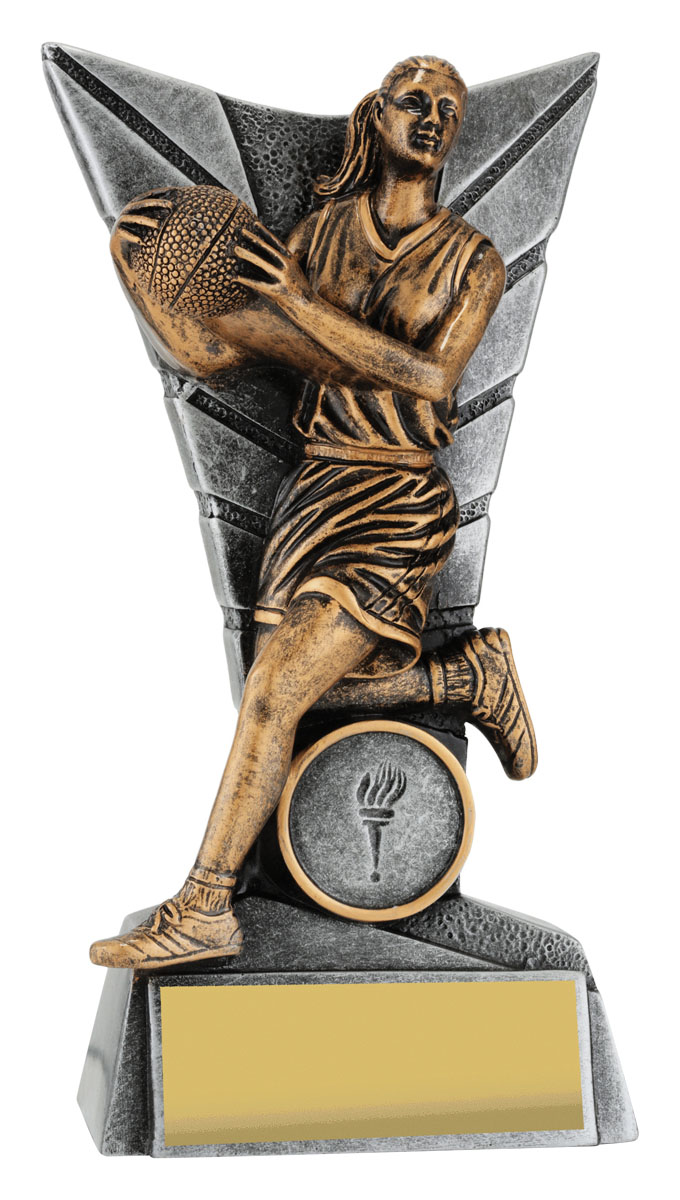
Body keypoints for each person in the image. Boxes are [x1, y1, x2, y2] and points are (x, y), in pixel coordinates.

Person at [91, 55, 537, 970]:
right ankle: (461, 680)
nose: (433, 117)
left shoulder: (475, 260)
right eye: (414, 100)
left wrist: (297, 302)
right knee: (279, 696)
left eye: (449, 110)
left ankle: (206, 905)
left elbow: (429, 376)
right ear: (375, 115)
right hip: (315, 493)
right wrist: (149, 280)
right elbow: (228, 357)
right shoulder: (321, 234)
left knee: (272, 696)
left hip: (397, 497)